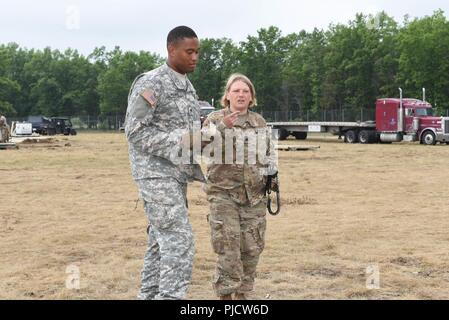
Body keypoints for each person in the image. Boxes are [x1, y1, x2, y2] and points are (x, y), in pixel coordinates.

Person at [124, 26, 204, 300]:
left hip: (176, 175)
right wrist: (180, 140)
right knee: (179, 241)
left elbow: (189, 131)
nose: (195, 57)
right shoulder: (153, 83)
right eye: (189, 51)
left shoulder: (186, 86)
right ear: (171, 49)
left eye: (197, 52)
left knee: (160, 243)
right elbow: (134, 131)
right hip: (155, 176)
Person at [201, 74, 278, 300]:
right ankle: (225, 297)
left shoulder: (259, 122)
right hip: (223, 196)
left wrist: (272, 179)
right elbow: (197, 145)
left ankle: (244, 296)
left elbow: (268, 155)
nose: (241, 94)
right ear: (227, 96)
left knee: (252, 249)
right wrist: (222, 127)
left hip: (254, 197)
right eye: (236, 91)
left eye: (245, 91)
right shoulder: (215, 119)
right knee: (228, 249)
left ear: (252, 96)